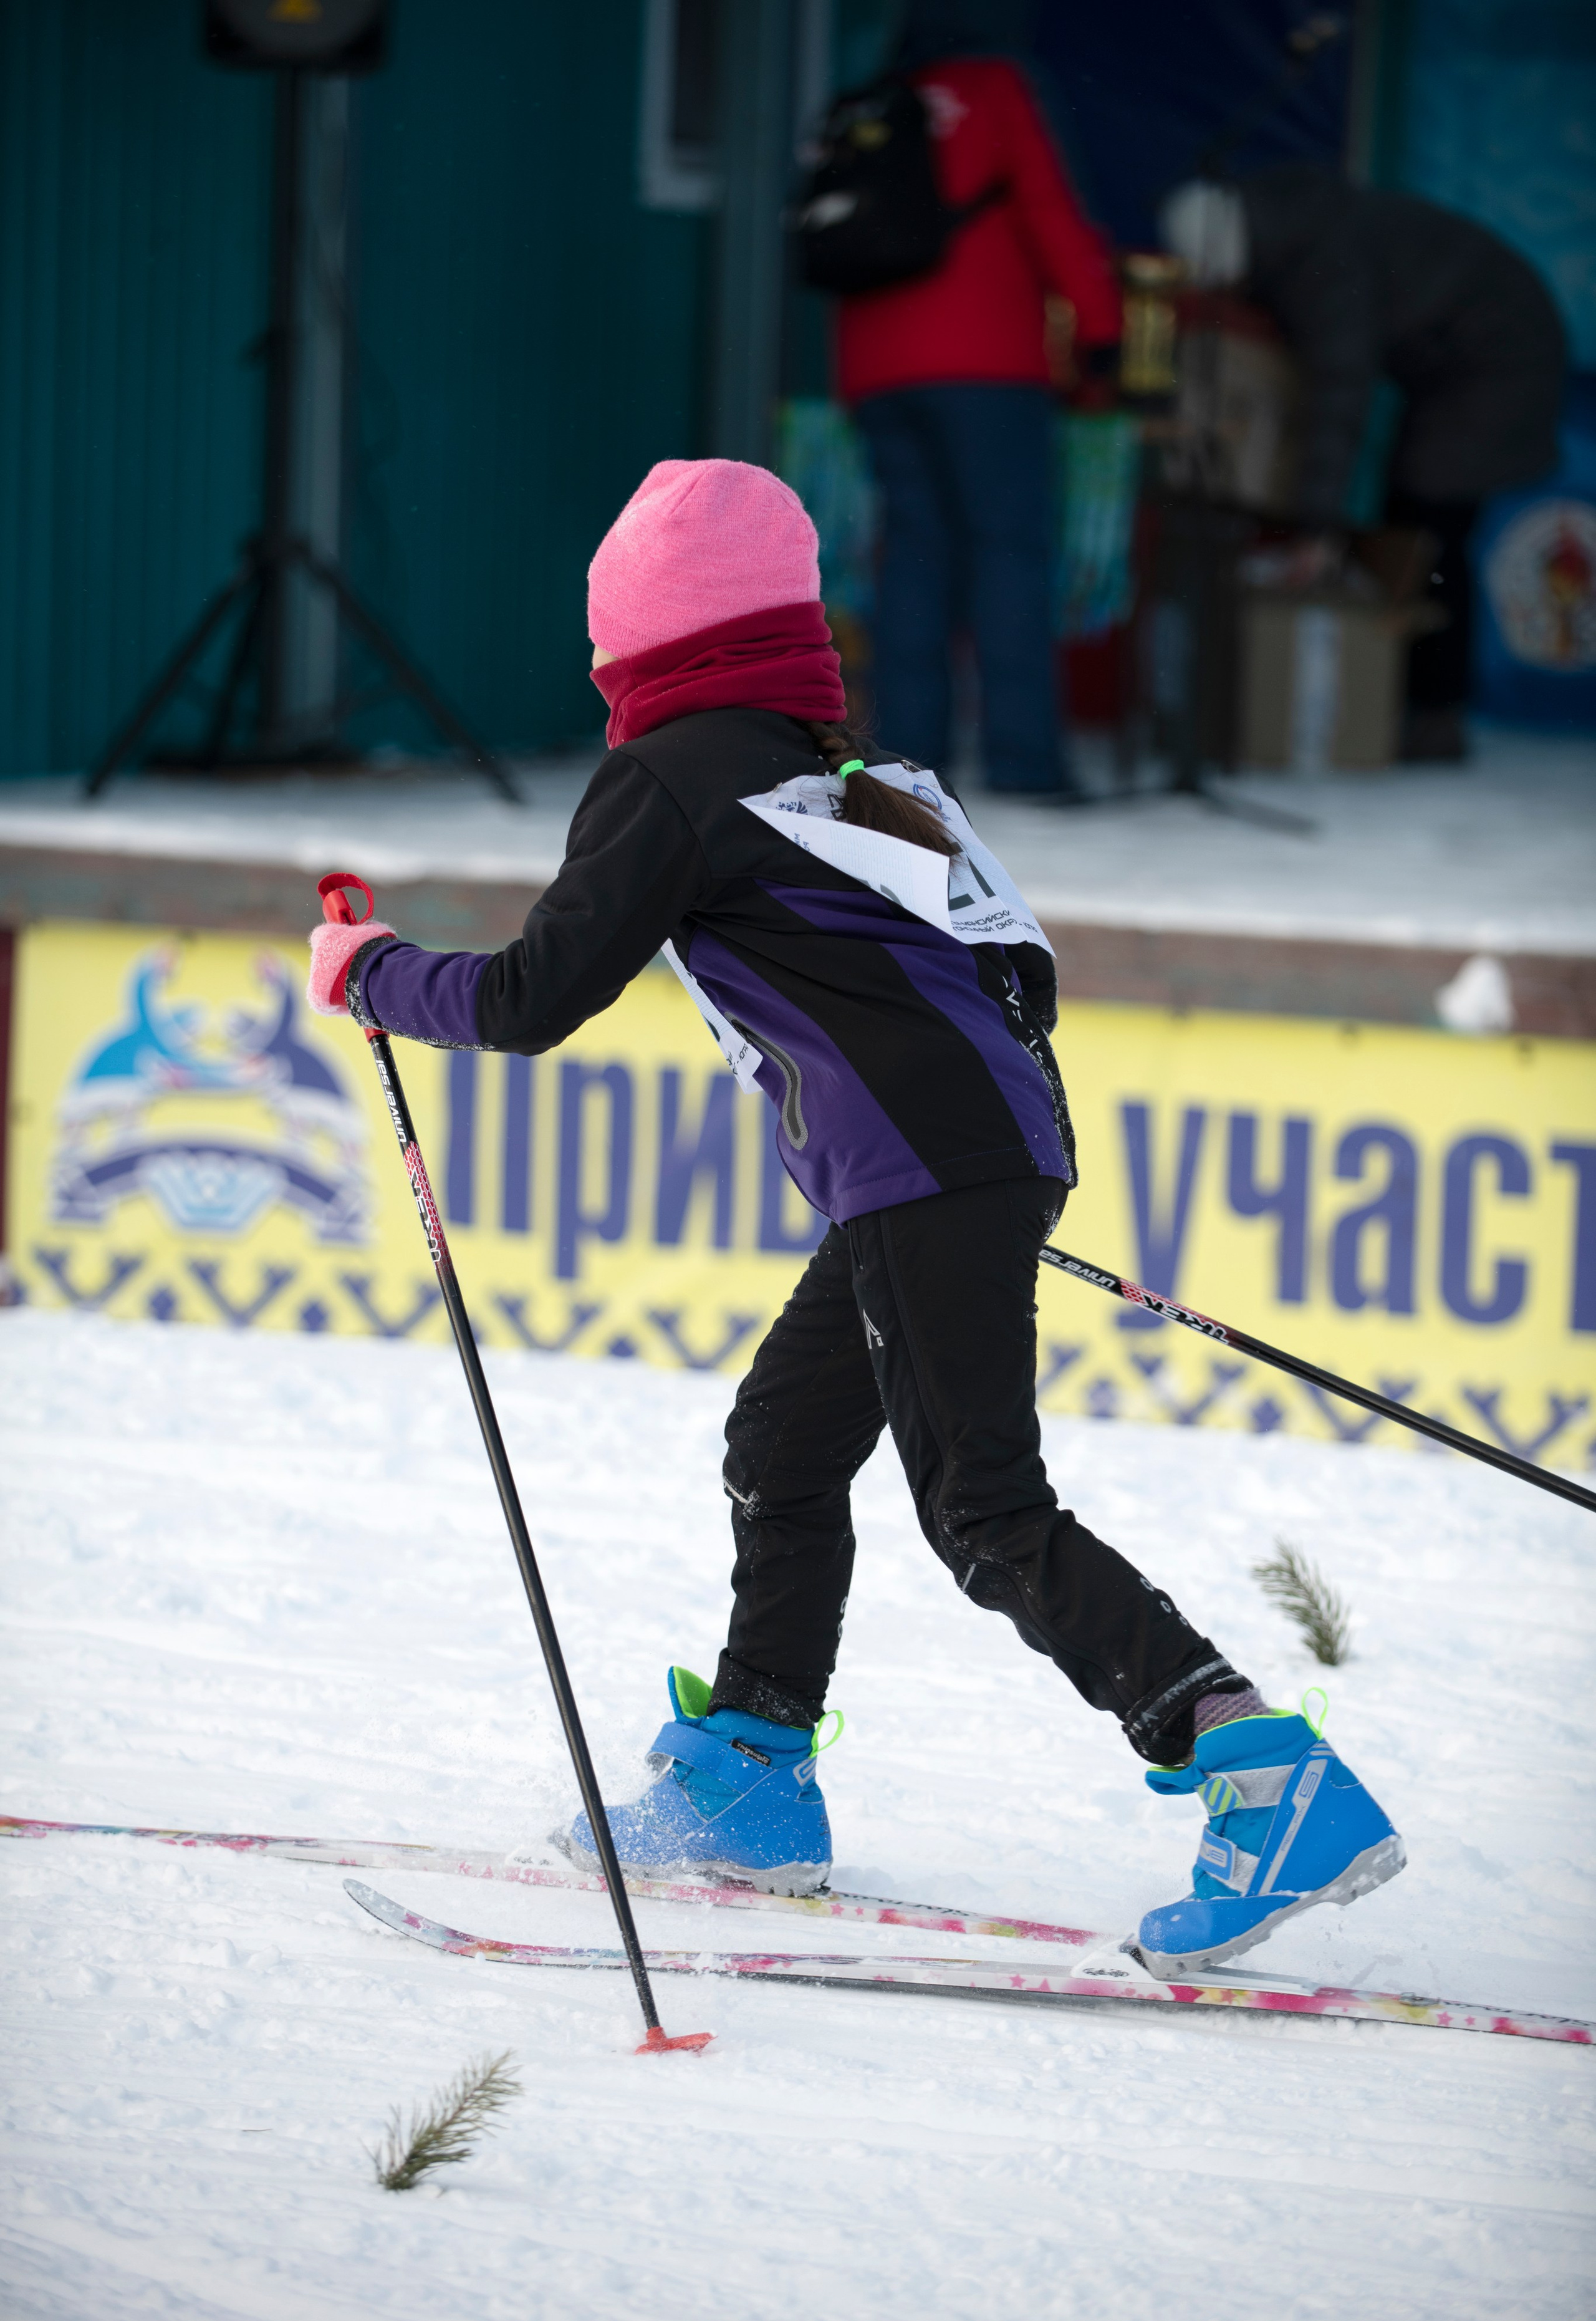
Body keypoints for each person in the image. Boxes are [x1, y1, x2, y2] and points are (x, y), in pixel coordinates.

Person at [306, 456, 1403, 1978]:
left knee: (980, 1506)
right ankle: (752, 1770)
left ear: (646, 645)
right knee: (783, 1440)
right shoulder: (863, 777)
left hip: (924, 1172)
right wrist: (953, 1146)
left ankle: (1260, 1768)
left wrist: (365, 970)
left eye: (604, 638)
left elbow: (529, 995)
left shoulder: (672, 775)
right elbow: (1020, 978)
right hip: (971, 1155)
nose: (596, 666)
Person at [1160, 167, 1569, 760]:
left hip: (1501, 366)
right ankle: (1407, 707)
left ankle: (1433, 720)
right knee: (1414, 524)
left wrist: (1315, 530)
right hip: (1466, 361)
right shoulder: (1293, 220)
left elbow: (1339, 400)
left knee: (1427, 536)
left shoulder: (1322, 267)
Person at [835, 24, 1122, 799]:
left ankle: (904, 768)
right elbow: (1047, 206)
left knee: (914, 559)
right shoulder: (996, 89)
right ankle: (1024, 760)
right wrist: (1099, 326)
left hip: (877, 363)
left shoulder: (871, 98)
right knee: (1009, 555)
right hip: (987, 361)